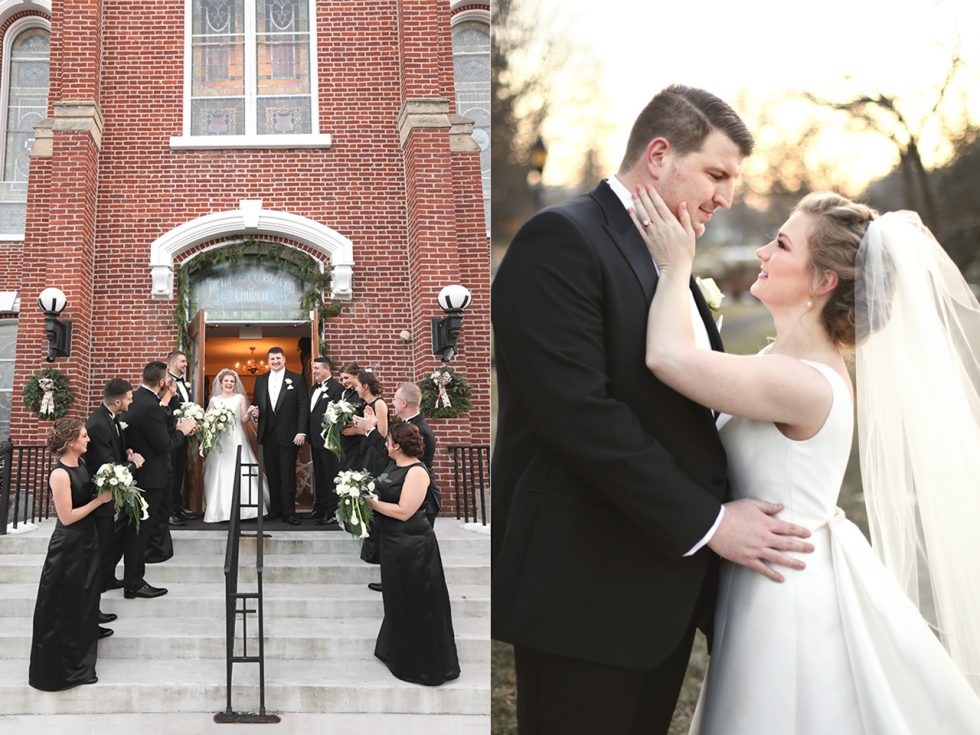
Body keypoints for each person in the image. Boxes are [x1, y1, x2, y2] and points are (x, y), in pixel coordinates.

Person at [492, 84, 814, 735]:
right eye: (717, 173)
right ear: (660, 155)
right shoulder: (562, 239)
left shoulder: (673, 258)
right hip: (584, 594)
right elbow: (579, 415)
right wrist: (710, 523)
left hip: (660, 596)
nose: (726, 197)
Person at [631, 187, 980, 731]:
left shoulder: (800, 382)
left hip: (785, 594)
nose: (763, 252)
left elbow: (667, 358)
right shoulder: (783, 361)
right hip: (773, 570)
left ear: (823, 282)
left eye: (782, 244)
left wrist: (675, 267)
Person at [367, 422, 460, 686]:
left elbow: (404, 511)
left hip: (414, 546)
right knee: (397, 597)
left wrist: (370, 503)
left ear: (397, 444)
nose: (385, 445)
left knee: (417, 600)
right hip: (393, 543)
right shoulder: (394, 466)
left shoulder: (418, 472)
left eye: (387, 442)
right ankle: (395, 650)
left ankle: (422, 665)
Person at [29, 419, 113, 691]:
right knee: (64, 605)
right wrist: (99, 501)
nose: (88, 440)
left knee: (84, 600)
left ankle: (81, 658)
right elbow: (67, 518)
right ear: (70, 441)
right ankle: (62, 670)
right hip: (69, 547)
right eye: (84, 436)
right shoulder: (60, 474)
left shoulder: (82, 465)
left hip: (87, 541)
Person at [124, 361, 197, 598]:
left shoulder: (141, 399)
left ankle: (131, 578)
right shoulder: (150, 405)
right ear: (162, 381)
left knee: (140, 529)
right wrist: (182, 431)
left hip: (145, 475)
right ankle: (134, 583)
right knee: (141, 531)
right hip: (151, 477)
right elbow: (165, 444)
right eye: (167, 378)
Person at [84, 379, 145, 618]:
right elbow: (104, 466)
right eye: (129, 398)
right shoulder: (98, 424)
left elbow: (113, 451)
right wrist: (133, 463)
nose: (131, 401)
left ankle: (108, 579)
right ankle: (92, 609)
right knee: (101, 549)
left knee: (109, 543)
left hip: (110, 497)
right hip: (100, 498)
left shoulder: (111, 417)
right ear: (118, 401)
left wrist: (125, 452)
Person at [248, 346, 309, 525]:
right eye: (272, 359)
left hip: (289, 435)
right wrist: (255, 414)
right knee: (272, 474)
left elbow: (303, 407)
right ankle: (274, 509)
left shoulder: (296, 380)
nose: (275, 362)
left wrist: (301, 431)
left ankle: (289, 513)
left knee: (287, 474)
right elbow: (256, 405)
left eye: (278, 359)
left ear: (284, 360)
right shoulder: (260, 380)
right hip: (267, 434)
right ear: (268, 361)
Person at [203, 369, 270, 523]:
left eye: (232, 381)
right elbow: (208, 420)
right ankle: (220, 510)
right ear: (221, 383)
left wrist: (250, 412)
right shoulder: (214, 400)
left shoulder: (239, 398)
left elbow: (244, 419)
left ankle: (248, 510)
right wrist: (215, 422)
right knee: (221, 470)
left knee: (241, 467)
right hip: (221, 440)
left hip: (237, 437)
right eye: (226, 381)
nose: (229, 384)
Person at [307, 356, 343, 525]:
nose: (313, 372)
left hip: (330, 441)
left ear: (327, 369)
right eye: (313, 369)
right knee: (319, 475)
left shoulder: (337, 389)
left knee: (330, 475)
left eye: (316, 369)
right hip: (315, 440)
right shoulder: (314, 388)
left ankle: (332, 511)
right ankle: (320, 508)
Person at [166, 350, 196, 525]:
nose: (186, 364)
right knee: (170, 472)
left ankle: (178, 507)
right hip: (170, 434)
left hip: (182, 435)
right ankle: (169, 511)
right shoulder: (165, 382)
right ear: (173, 363)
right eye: (183, 361)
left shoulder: (183, 383)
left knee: (179, 471)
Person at [336, 362, 365, 472]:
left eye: (346, 378)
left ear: (356, 375)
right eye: (342, 379)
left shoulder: (363, 392)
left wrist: (357, 429)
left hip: (358, 439)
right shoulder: (345, 394)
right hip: (346, 439)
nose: (343, 382)